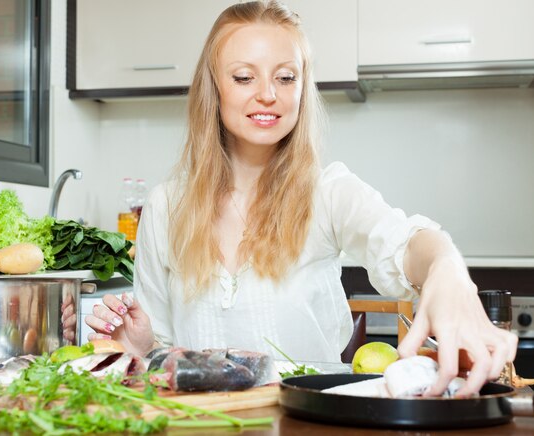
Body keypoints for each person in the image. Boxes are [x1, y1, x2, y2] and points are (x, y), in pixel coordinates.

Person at [85, 0, 517, 397]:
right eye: (243, 77)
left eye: (285, 77)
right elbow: (159, 355)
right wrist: (139, 347)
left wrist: (447, 271)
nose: (268, 93)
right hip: (205, 423)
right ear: (213, 88)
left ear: (301, 87)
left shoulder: (327, 193)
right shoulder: (166, 207)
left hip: (307, 421)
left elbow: (408, 243)